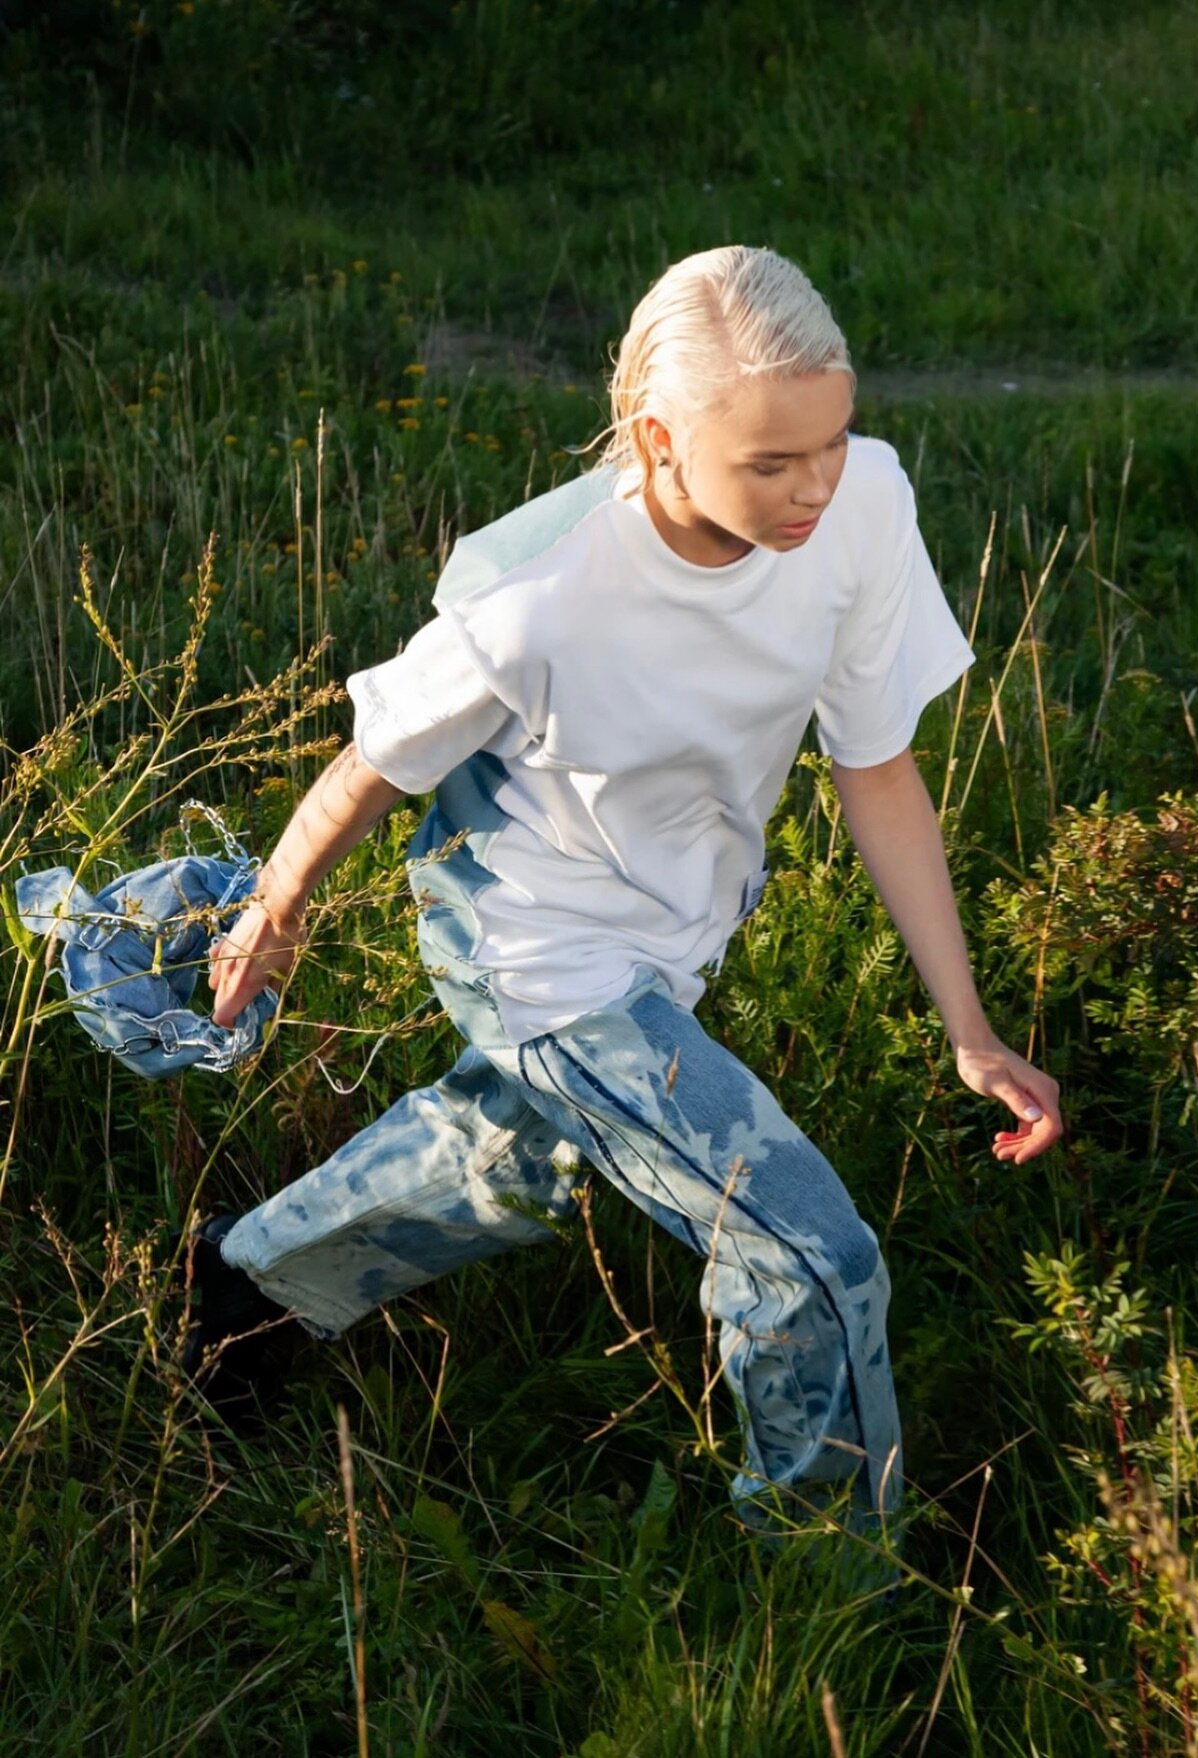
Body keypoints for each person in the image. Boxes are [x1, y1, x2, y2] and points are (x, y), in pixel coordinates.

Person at [188, 244, 1062, 1554]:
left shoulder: (862, 503)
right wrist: (274, 906)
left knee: (508, 1160)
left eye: (832, 438)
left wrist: (968, 1026)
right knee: (810, 1254)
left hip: (677, 923)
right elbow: (374, 763)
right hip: (528, 945)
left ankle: (247, 1281)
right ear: (656, 436)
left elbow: (874, 766)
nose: (813, 483)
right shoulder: (537, 592)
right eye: (771, 461)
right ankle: (826, 1572)